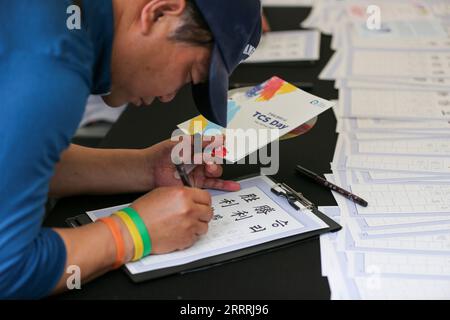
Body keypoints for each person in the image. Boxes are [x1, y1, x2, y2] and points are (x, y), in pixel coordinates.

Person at [0, 0, 262, 299]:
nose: (167, 96)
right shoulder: (51, 64)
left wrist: (145, 168)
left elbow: (17, 164)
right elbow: (7, 268)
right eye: (189, 73)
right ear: (159, 12)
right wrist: (135, 231)